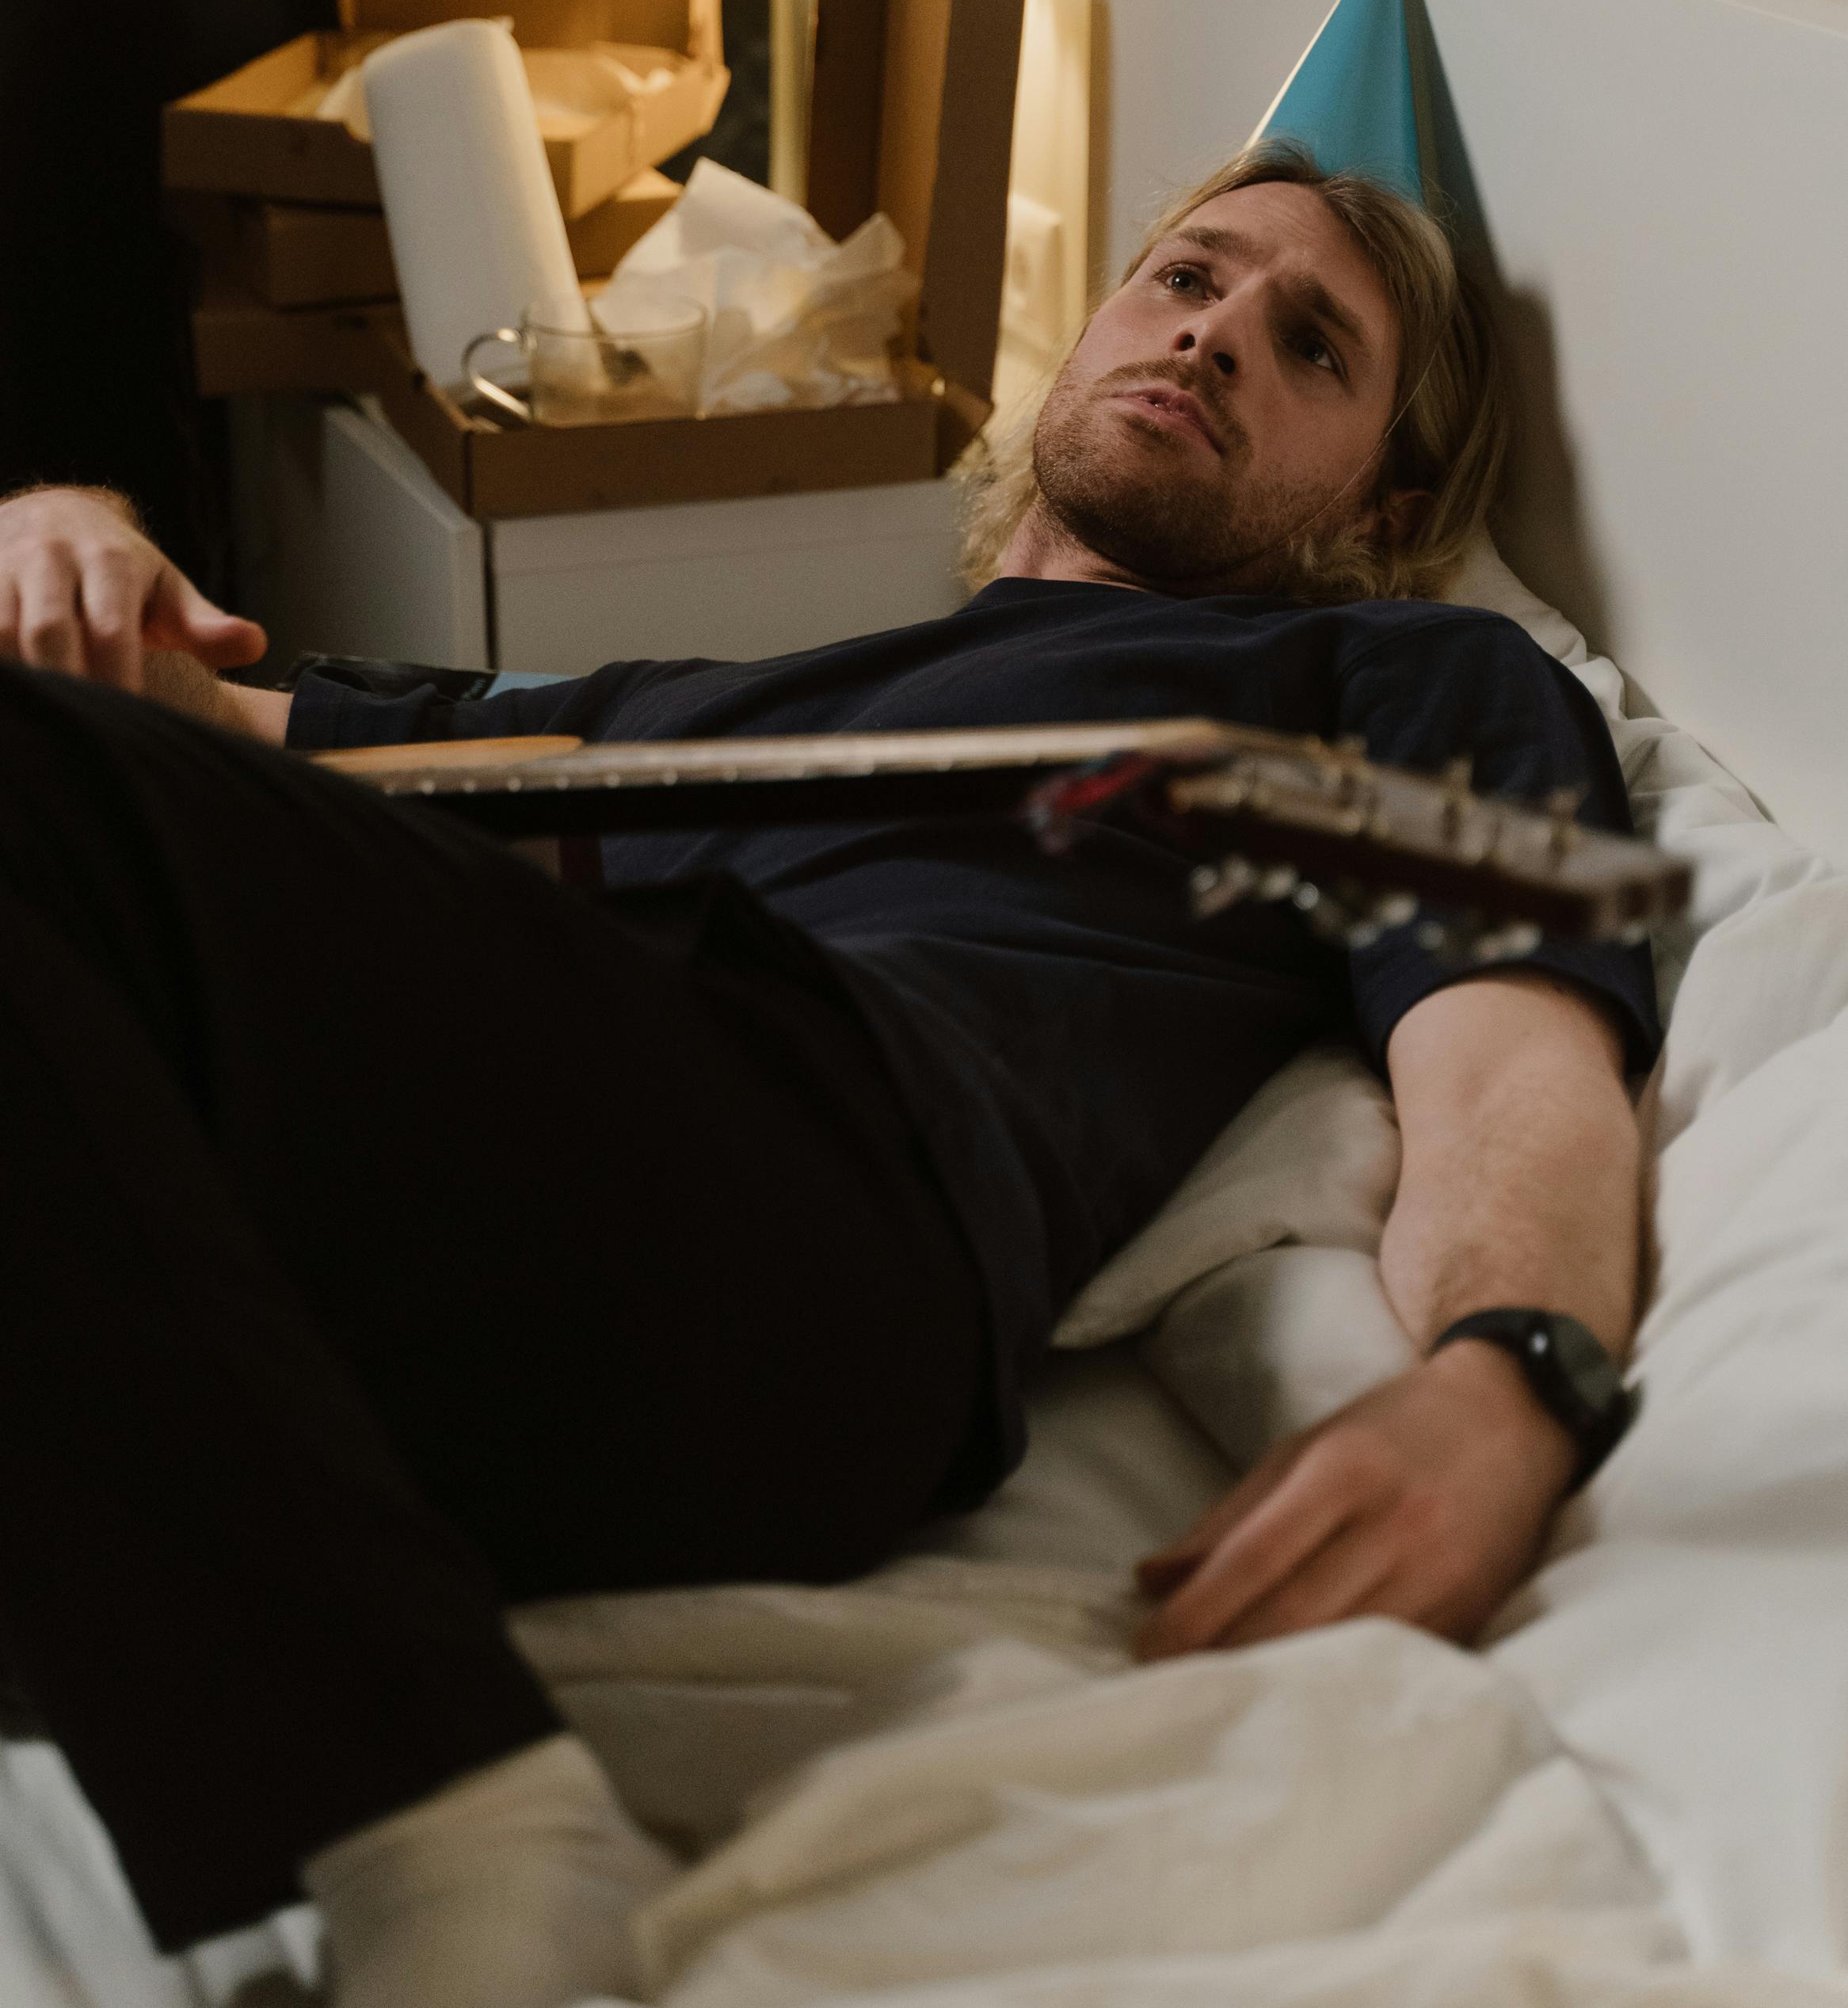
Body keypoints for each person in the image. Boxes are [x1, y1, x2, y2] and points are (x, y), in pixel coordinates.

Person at [0, 143, 1656, 2008]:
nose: (1215, 339)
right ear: (1091, 331)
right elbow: (180, 712)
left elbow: (1514, 1047)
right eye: (1189, 278)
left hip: (836, 1176)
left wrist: (1509, 1380)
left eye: (1312, 346)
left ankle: (454, 1821)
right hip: (502, 1190)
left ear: (1385, 501)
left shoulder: (1407, 670)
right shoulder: (705, 702)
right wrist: (61, 523)